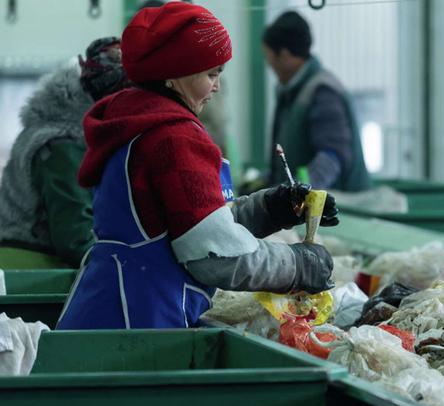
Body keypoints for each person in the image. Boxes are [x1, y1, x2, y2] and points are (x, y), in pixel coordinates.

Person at [57, 2, 338, 330]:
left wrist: (273, 209)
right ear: (176, 73)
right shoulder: (173, 139)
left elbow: (193, 223)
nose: (217, 86)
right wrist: (296, 266)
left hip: (105, 306)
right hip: (142, 320)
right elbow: (217, 256)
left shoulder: (135, 120)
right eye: (211, 73)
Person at [0, 37, 129, 269]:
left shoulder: (51, 130)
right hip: (34, 265)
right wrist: (126, 267)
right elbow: (75, 237)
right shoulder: (62, 146)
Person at [262, 11, 371, 191]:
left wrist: (296, 195)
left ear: (285, 55)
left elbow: (332, 155)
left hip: (338, 211)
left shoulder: (322, 92)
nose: (270, 65)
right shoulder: (293, 93)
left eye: (270, 57)